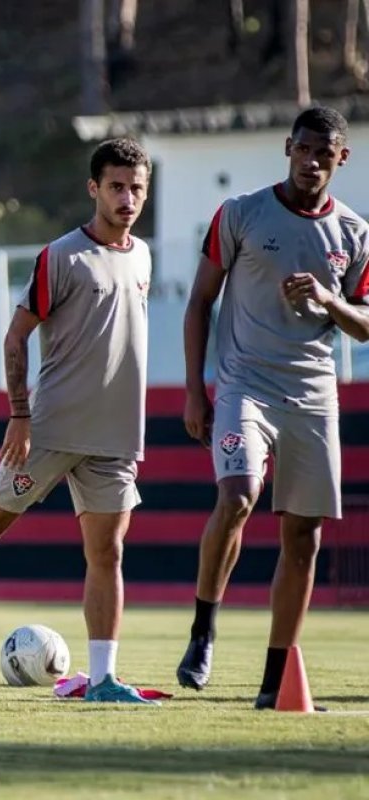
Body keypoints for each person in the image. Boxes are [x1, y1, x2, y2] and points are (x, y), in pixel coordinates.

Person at [0, 138, 158, 704]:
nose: (127, 197)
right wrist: (19, 414)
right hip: (50, 429)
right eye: (116, 186)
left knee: (108, 553)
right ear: (94, 189)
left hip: (114, 437)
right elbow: (16, 336)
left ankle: (103, 678)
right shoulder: (62, 256)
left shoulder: (143, 256)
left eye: (137, 187)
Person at [176, 106, 369, 708]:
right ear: (287, 147)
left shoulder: (356, 234)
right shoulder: (240, 214)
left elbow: (364, 327)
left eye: (323, 153)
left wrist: (328, 300)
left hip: (313, 395)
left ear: (342, 159)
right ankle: (203, 629)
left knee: (304, 537)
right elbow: (200, 301)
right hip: (243, 387)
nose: (310, 161)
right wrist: (193, 388)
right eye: (302, 149)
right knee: (236, 497)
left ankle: (273, 679)